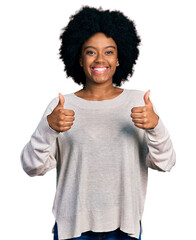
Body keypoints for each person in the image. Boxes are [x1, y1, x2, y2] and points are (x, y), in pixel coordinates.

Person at [20, 6, 176, 240]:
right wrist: (48, 128)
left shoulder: (137, 102)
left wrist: (155, 126)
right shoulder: (62, 106)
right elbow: (32, 166)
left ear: (119, 57)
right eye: (91, 52)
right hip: (73, 230)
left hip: (125, 228)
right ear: (79, 59)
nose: (100, 59)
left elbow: (166, 163)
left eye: (109, 52)